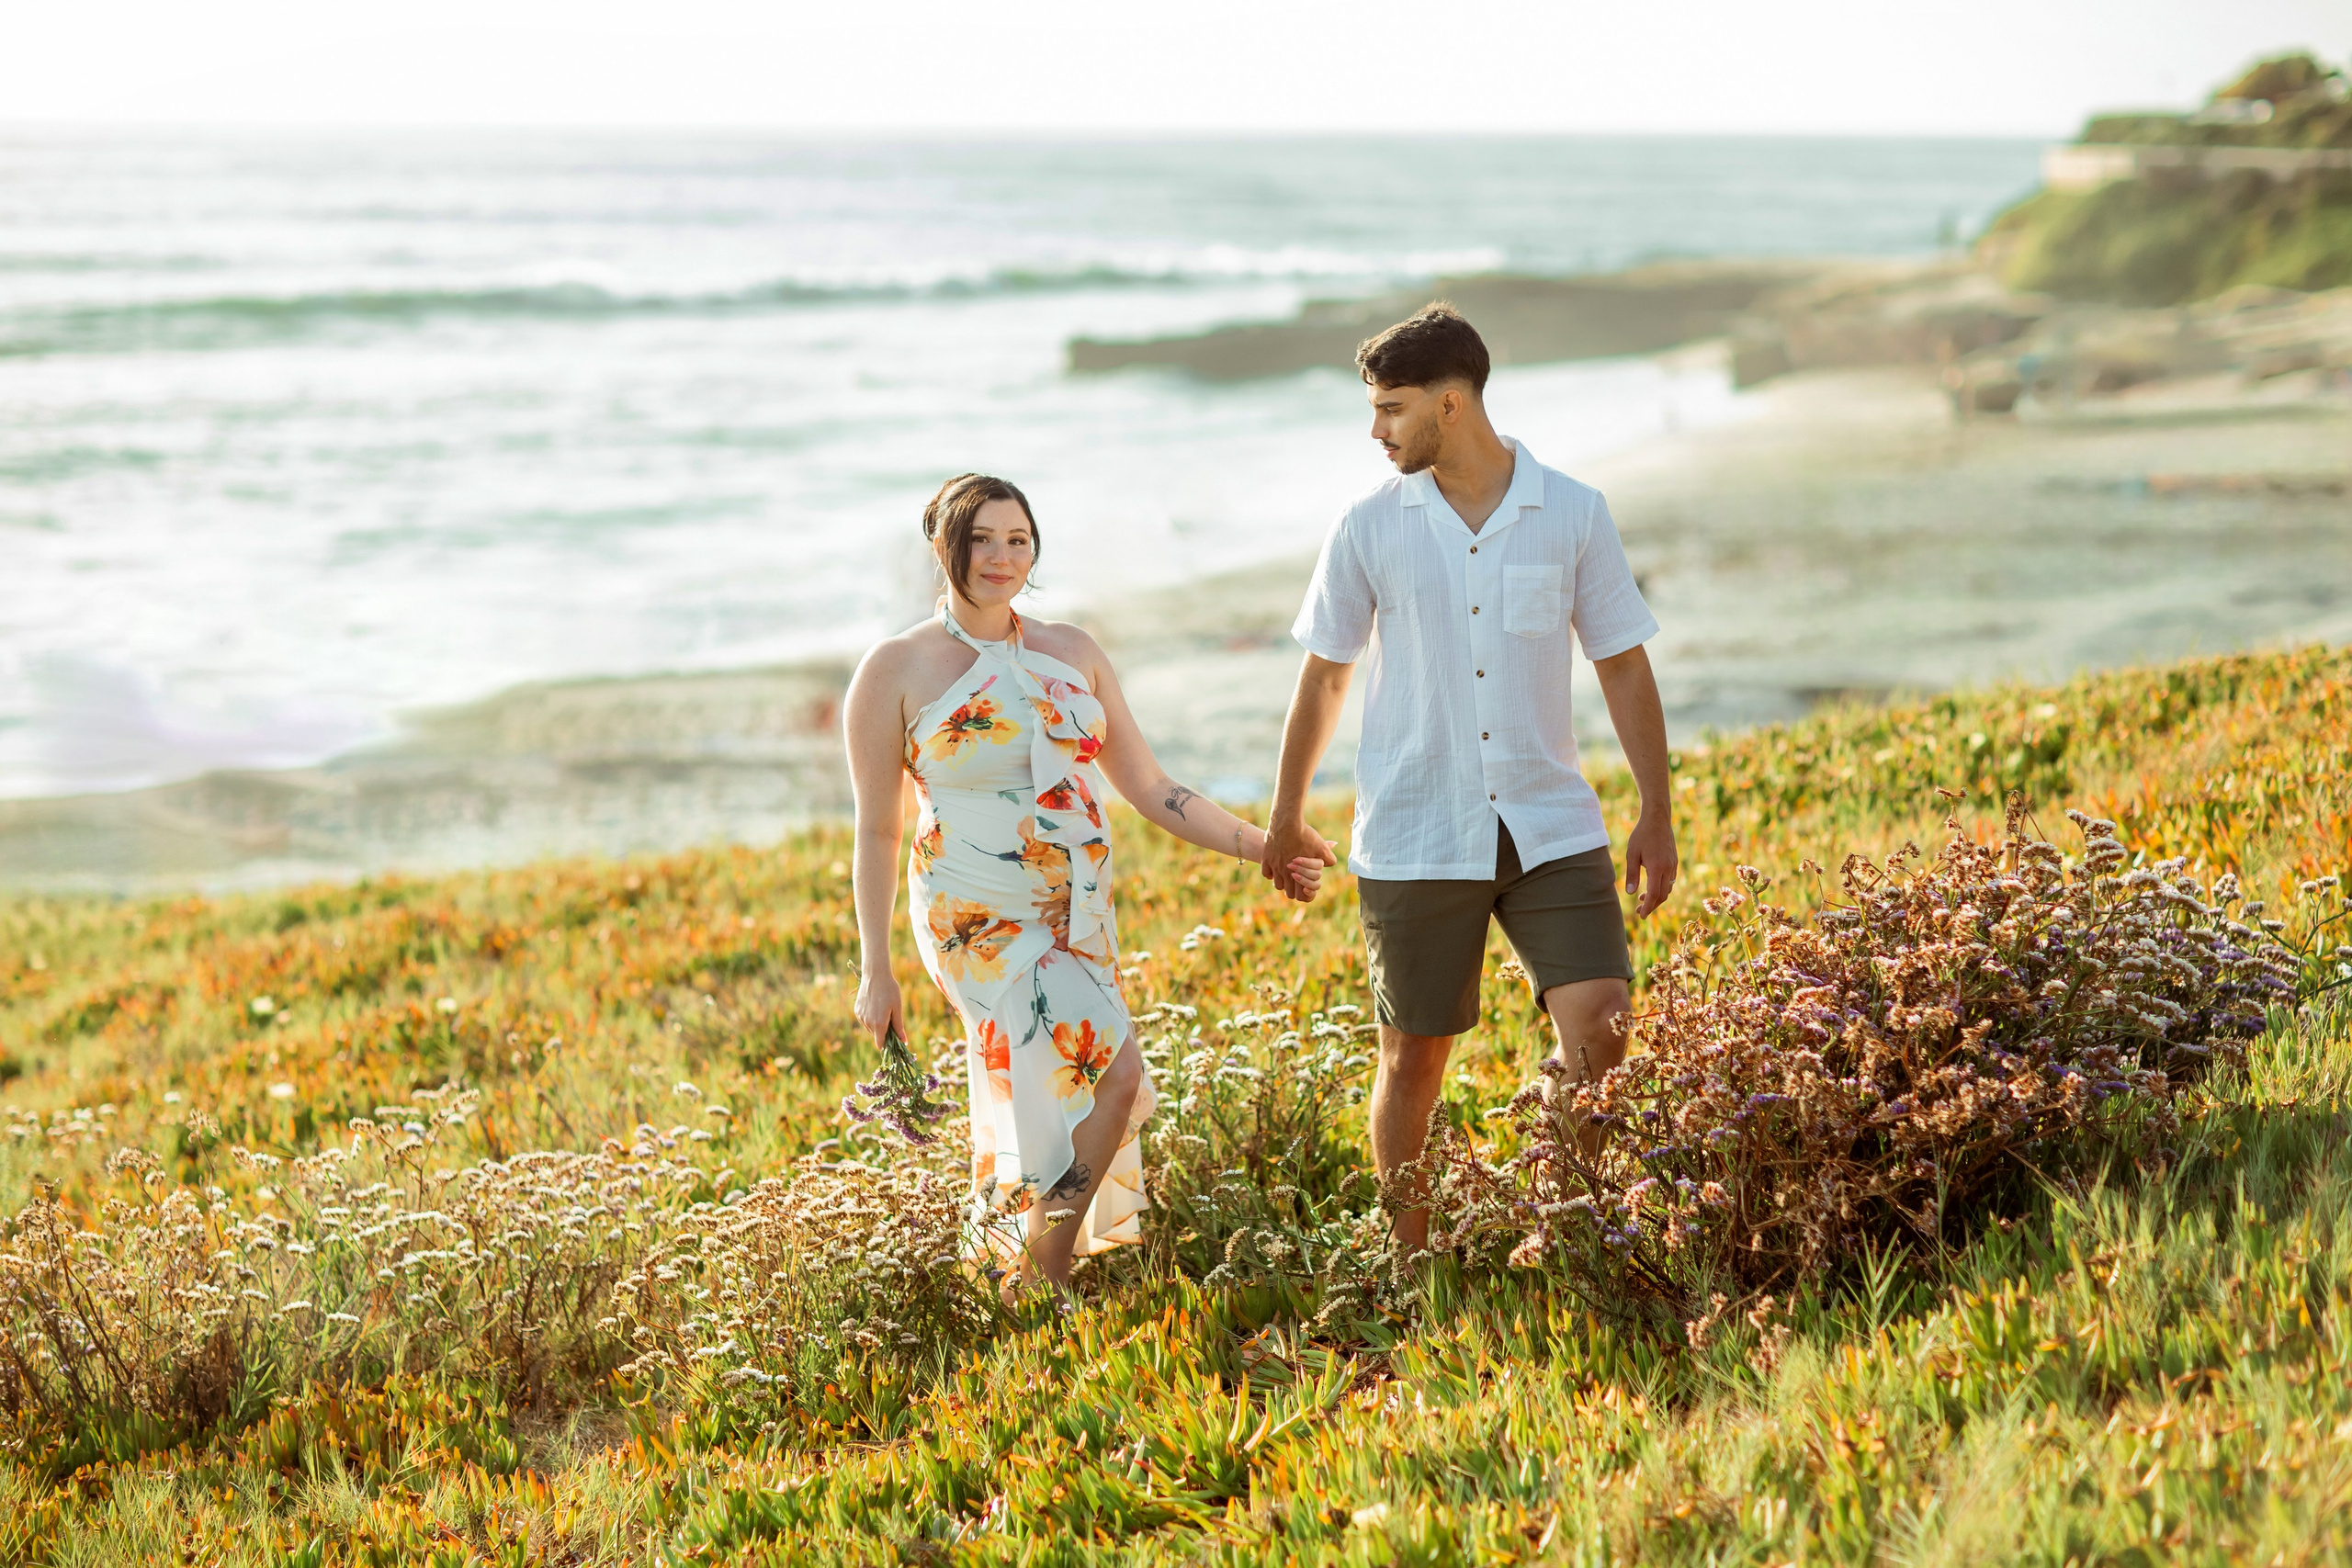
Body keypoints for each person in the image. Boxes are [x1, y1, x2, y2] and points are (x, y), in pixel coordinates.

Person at [1258, 305, 1679, 1251]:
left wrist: (1656, 810)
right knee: (1413, 1061)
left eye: (1391, 409)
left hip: (1549, 824)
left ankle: (1562, 1224)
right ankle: (1412, 1262)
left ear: (1451, 405)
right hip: (1417, 829)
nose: (1376, 430)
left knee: (1604, 1033)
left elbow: (1620, 661)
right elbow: (1325, 674)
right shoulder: (1367, 526)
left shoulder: (1572, 512)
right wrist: (1285, 817)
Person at [844, 473, 1328, 1294]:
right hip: (973, 915)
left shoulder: (1073, 651)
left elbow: (1150, 788)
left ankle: (1028, 1259)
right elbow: (879, 828)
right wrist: (876, 968)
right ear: (943, 546)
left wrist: (1265, 845)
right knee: (1117, 1072)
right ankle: (1043, 1270)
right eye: (981, 539)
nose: (1001, 556)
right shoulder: (894, 668)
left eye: (1018, 539)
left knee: (1069, 1079)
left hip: (1079, 911)